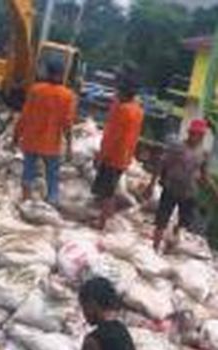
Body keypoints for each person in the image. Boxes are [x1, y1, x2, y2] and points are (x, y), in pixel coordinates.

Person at [13, 58, 77, 206]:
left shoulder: (36, 90)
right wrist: (69, 145)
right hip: (51, 143)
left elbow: (25, 115)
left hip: (31, 140)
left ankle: (26, 201)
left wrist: (15, 136)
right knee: (52, 174)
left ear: (47, 72)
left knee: (28, 171)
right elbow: (67, 123)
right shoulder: (67, 95)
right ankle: (52, 200)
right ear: (62, 74)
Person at [145, 118, 214, 252]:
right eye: (193, 133)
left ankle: (170, 246)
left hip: (189, 193)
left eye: (199, 134)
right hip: (171, 188)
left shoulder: (203, 154)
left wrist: (214, 191)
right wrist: (151, 184)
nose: (195, 136)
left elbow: (204, 175)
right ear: (189, 133)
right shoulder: (177, 148)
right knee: (161, 220)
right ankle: (154, 248)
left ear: (202, 136)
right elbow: (161, 164)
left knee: (183, 223)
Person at [91, 74, 144, 230]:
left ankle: (102, 222)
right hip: (124, 157)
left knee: (107, 191)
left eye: (118, 91)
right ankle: (106, 218)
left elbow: (113, 137)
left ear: (124, 93)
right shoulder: (138, 111)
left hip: (113, 157)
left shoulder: (123, 110)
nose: (116, 94)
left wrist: (101, 156)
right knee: (110, 189)